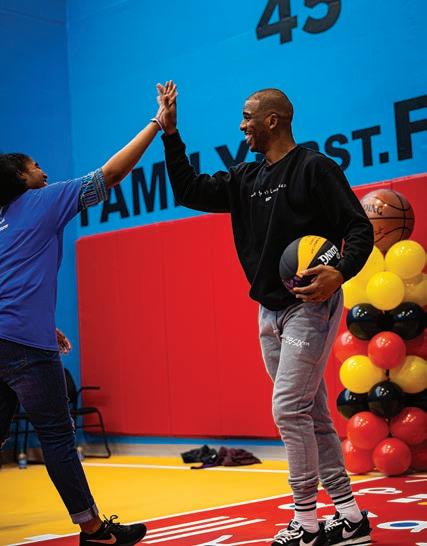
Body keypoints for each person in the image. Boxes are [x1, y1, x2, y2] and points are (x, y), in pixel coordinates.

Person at [156, 86, 374, 546]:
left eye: (247, 117)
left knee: (288, 408)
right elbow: (188, 189)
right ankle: (351, 517)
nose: (242, 126)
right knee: (311, 413)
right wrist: (170, 133)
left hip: (309, 306)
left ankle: (305, 522)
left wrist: (339, 271)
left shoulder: (314, 168)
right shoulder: (245, 177)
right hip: (269, 311)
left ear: (272, 120)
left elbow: (358, 227)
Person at [0, 81, 177, 546]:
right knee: (58, 437)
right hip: (25, 347)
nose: (44, 171)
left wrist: (45, 324)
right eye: (35, 166)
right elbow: (111, 174)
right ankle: (94, 531)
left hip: (8, 339)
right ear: (20, 177)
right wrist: (157, 123)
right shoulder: (42, 201)